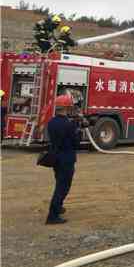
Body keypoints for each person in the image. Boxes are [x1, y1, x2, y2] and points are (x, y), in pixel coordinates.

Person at [46, 94, 82, 224]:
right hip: (66, 158)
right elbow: (76, 143)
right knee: (63, 187)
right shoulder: (68, 124)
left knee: (59, 183)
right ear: (67, 108)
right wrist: (78, 132)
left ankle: (58, 207)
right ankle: (53, 216)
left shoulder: (51, 122)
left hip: (56, 158)